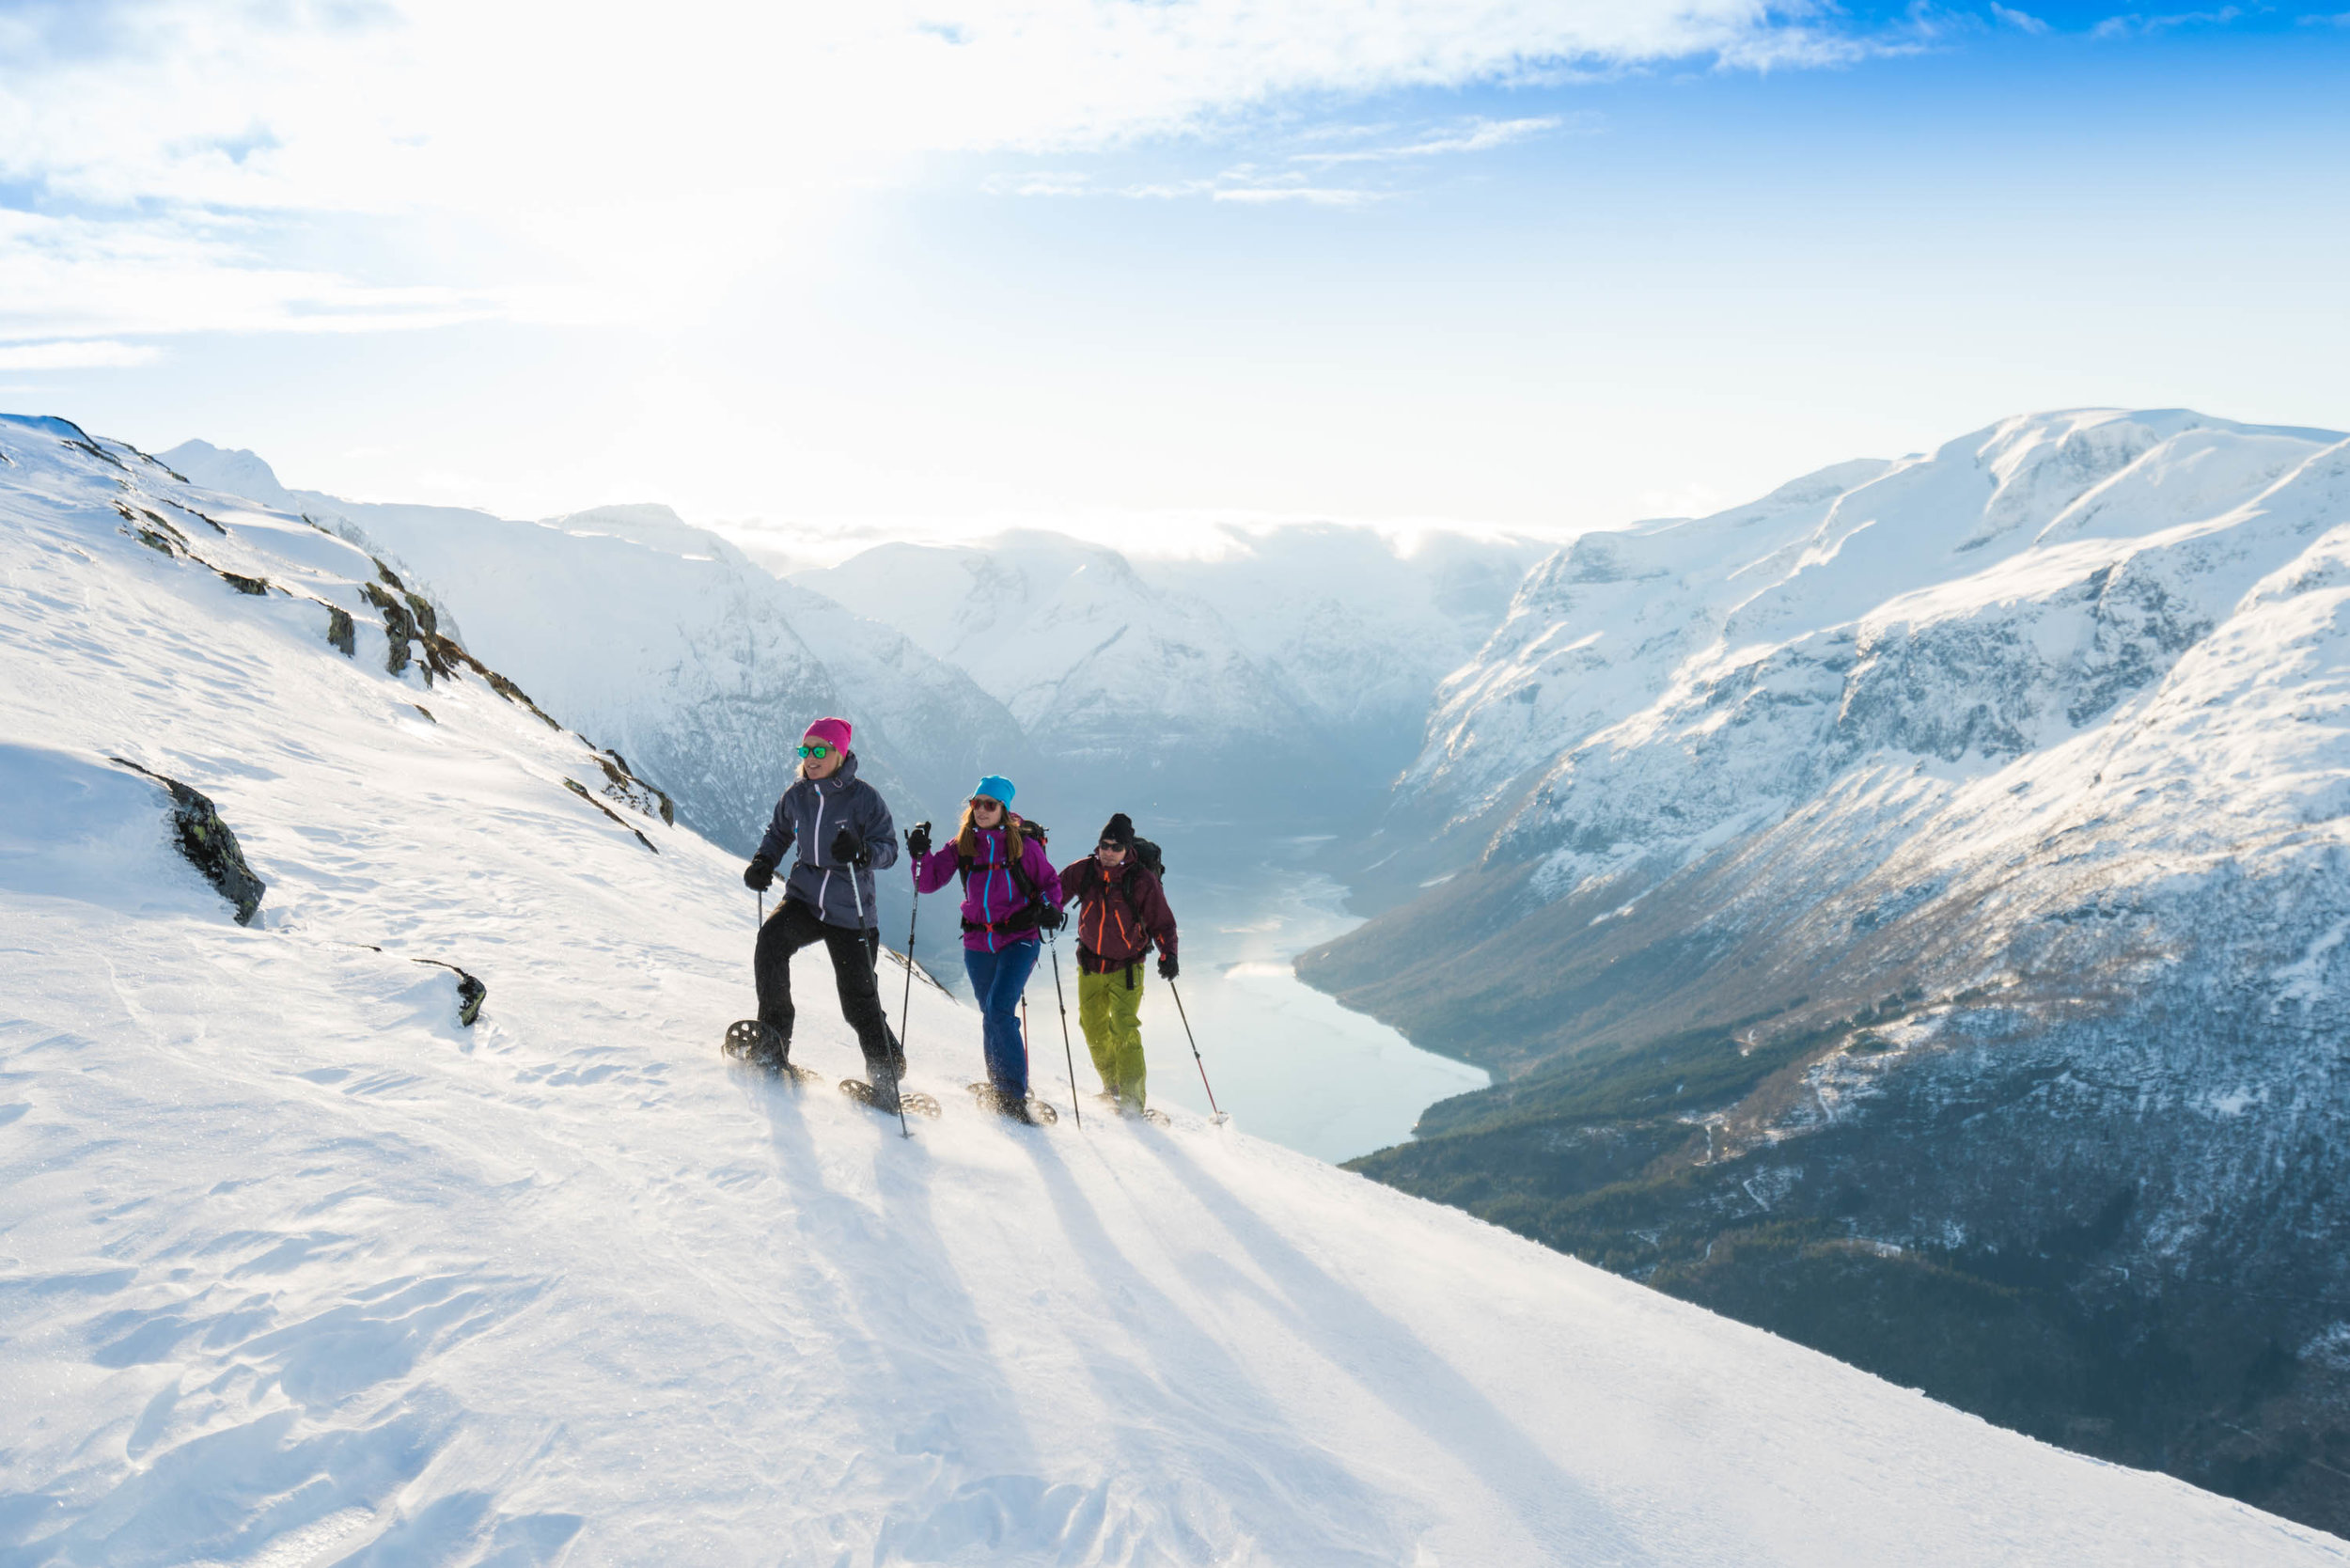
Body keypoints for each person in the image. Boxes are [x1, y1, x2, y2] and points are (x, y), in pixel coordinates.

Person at [742, 716, 901, 1096]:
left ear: (839, 753)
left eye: (819, 750)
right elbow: (778, 832)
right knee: (771, 944)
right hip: (805, 898)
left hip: (851, 910)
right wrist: (764, 861)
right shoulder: (797, 795)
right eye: (805, 750)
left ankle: (886, 1073)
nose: (810, 758)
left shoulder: (864, 798)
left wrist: (863, 853)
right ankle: (773, 1045)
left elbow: (890, 850)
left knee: (857, 1000)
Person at [908, 775, 1063, 1121]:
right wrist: (919, 855)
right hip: (978, 941)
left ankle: (1011, 1093)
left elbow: (1050, 883)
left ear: (1003, 810)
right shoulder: (962, 844)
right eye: (976, 803)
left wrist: (1053, 908)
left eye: (989, 805)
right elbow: (927, 882)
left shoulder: (1023, 846)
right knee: (990, 1014)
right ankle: (1000, 1084)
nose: (981, 810)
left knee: (999, 1009)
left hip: (1019, 939)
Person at [1056, 812, 1178, 1115]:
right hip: (1090, 964)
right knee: (1093, 1027)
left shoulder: (1141, 880)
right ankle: (1113, 1089)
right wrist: (1043, 911)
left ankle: (1133, 1104)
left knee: (1124, 1028)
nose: (1108, 852)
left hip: (1127, 967)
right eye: (1104, 845)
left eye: (1116, 847)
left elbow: (1161, 922)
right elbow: (1053, 894)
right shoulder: (1083, 872)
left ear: (1127, 850)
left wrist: (1169, 954)